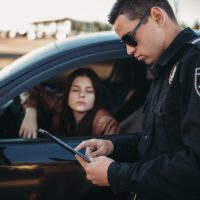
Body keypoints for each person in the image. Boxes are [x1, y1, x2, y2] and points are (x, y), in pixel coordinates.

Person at [75, 0, 200, 199]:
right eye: (123, 43)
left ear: (157, 17)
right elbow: (154, 142)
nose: (129, 50)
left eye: (130, 39)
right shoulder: (163, 67)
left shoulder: (194, 62)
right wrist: (112, 146)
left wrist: (115, 175)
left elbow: (195, 165)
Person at [19, 68, 120, 138]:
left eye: (89, 91)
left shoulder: (106, 123)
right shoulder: (60, 105)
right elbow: (27, 86)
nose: (82, 95)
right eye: (75, 90)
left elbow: (109, 158)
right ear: (67, 93)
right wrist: (30, 111)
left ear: (96, 96)